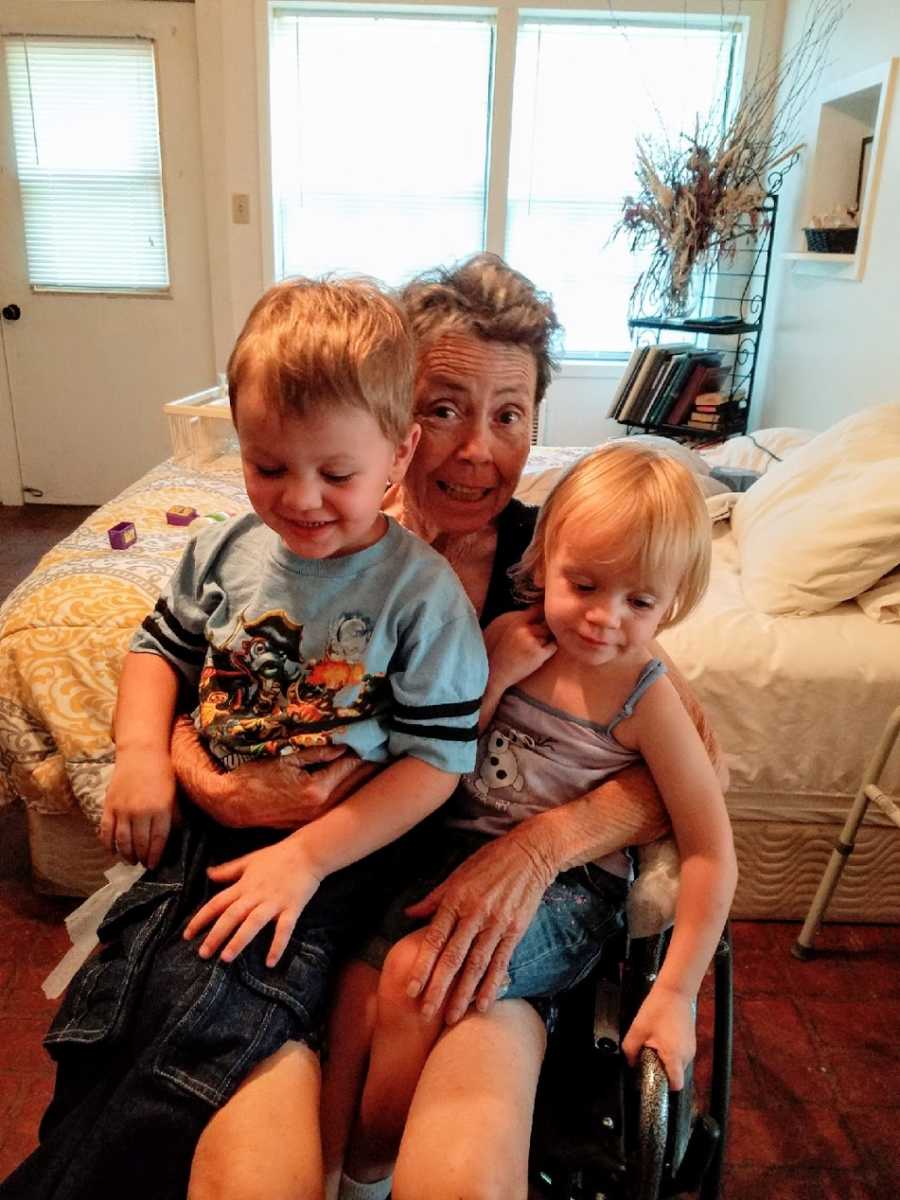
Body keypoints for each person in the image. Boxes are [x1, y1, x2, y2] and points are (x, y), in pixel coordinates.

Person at [171, 254, 728, 1200]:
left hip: (463, 893)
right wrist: (203, 774)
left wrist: (548, 843)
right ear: (389, 417)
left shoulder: (557, 568)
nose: (477, 449)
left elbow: (672, 760)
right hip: (318, 883)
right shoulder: (325, 526)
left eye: (509, 416)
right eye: (443, 409)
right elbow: (207, 682)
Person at [0, 277, 489, 1200]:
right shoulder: (221, 552)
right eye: (269, 467)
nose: (300, 500)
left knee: (210, 1021)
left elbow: (434, 766)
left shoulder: (419, 597)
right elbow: (157, 652)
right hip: (193, 840)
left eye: (335, 475)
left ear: (400, 452)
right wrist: (145, 755)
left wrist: (304, 860)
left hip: (327, 865)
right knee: (120, 1008)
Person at [328, 442, 737, 1200]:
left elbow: (712, 849)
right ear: (544, 559)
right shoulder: (511, 640)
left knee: (417, 978)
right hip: (448, 850)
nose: (605, 618)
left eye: (640, 602)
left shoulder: (646, 697)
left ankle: (365, 1175)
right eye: (584, 583)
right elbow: (447, 749)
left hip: (572, 893)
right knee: (360, 991)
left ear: (672, 604)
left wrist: (676, 995)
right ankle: (338, 1160)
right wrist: (496, 674)